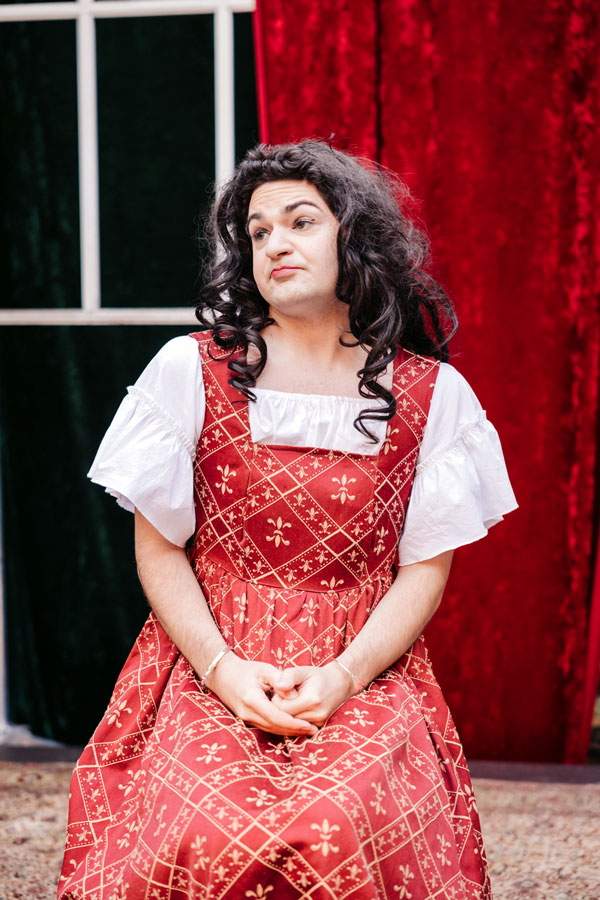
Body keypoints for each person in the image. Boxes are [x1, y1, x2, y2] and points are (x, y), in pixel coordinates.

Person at [57, 140, 517, 900]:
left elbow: (424, 572)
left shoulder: (433, 395)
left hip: (363, 666)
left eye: (301, 222)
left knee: (334, 828)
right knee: (205, 836)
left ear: (355, 238)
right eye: (258, 231)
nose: (274, 243)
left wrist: (344, 676)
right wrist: (222, 669)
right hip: (208, 657)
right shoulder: (190, 369)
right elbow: (160, 551)